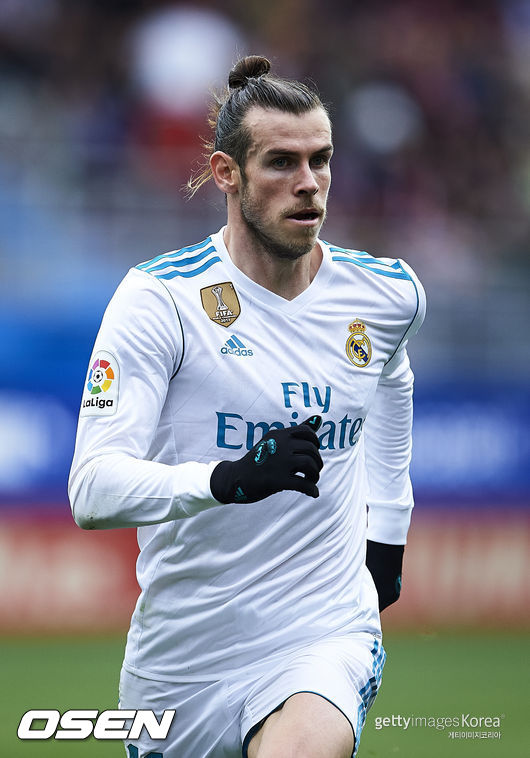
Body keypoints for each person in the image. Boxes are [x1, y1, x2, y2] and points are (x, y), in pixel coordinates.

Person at [69, 55, 425, 758]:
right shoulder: (160, 300)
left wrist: (388, 530)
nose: (309, 183)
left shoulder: (386, 293)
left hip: (324, 632)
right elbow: (92, 489)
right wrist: (226, 479)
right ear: (226, 173)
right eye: (281, 163)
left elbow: (393, 382)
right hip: (183, 661)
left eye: (321, 160)